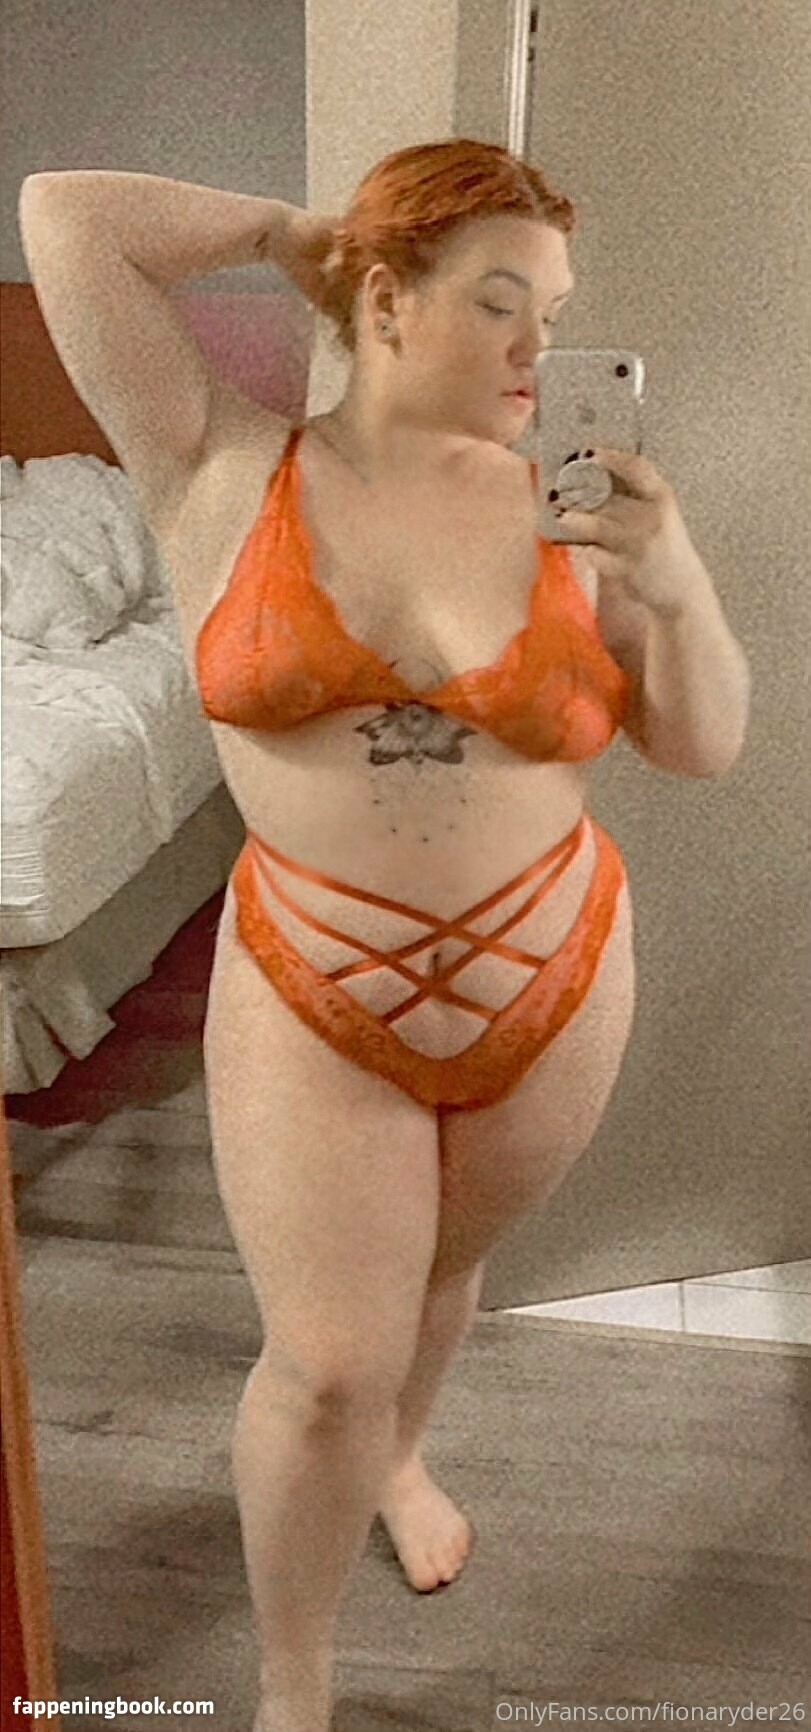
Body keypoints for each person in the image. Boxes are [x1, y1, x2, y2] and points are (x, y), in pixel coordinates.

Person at [19, 137, 748, 1732]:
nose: (538, 349)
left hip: (555, 980)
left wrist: (677, 581)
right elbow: (64, 218)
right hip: (312, 992)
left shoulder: (580, 509)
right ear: (390, 299)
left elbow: (702, 745)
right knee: (326, 1361)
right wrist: (296, 232)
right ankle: (296, 1680)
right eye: (500, 301)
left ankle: (402, 1463)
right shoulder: (217, 461)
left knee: (439, 1276)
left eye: (554, 314)